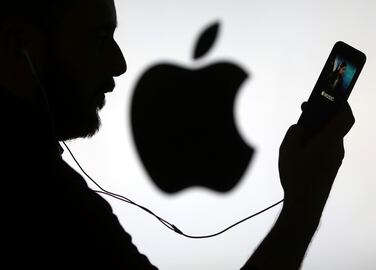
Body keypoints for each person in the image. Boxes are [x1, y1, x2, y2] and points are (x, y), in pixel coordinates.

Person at [0, 0, 355, 269]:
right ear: (20, 46)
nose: (119, 63)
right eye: (98, 37)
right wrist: (305, 203)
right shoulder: (54, 204)